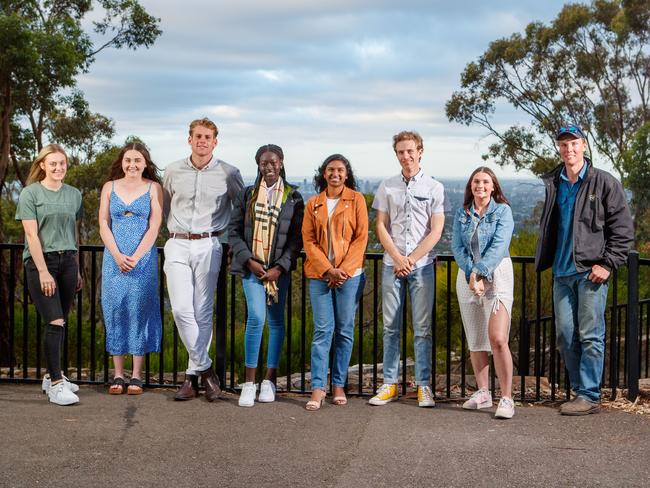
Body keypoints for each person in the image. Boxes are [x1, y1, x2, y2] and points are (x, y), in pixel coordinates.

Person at [536, 124, 633, 415]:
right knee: (565, 335)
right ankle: (580, 391)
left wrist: (608, 263)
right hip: (562, 273)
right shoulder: (555, 182)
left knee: (591, 334)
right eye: (564, 144)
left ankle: (589, 395)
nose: (569, 149)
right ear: (558, 148)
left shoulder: (604, 182)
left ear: (585, 145)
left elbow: (623, 230)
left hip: (590, 272)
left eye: (574, 143)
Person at [162, 118, 244, 401]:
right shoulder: (172, 170)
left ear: (215, 141)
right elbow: (163, 206)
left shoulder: (229, 173)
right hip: (176, 243)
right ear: (189, 139)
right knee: (181, 310)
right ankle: (207, 372)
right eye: (198, 136)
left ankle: (190, 378)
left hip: (210, 244)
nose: (202, 141)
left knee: (202, 312)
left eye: (208, 137)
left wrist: (233, 242)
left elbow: (240, 210)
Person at [369, 130, 445, 408]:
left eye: (410, 151)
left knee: (422, 329)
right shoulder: (387, 186)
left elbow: (436, 231)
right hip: (392, 265)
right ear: (396, 154)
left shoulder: (435, 188)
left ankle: (424, 385)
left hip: (422, 266)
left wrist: (410, 259)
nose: (406, 156)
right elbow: (380, 226)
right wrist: (398, 258)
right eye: (401, 152)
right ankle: (389, 384)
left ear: (420, 151)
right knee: (390, 327)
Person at [228, 144, 304, 407]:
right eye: (263, 163)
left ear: (281, 163)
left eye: (273, 162)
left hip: (277, 272)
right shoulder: (247, 194)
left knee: (276, 322)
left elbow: (296, 241)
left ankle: (269, 380)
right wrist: (249, 261)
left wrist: (279, 268)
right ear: (258, 165)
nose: (268, 167)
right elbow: (234, 231)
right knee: (257, 318)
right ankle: (249, 383)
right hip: (253, 269)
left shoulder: (293, 197)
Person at [15, 144, 83, 406]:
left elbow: (73, 231)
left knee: (61, 321)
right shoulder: (30, 194)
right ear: (42, 165)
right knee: (54, 321)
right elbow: (31, 235)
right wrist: (43, 271)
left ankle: (52, 376)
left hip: (68, 262)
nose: (58, 168)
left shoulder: (74, 195)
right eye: (53, 163)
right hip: (41, 263)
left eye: (62, 163)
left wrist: (76, 267)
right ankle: (56, 386)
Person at [302, 154, 368, 410]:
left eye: (340, 170)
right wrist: (328, 270)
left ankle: (338, 384)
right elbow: (308, 241)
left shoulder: (357, 200)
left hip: (349, 277)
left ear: (347, 174)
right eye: (331, 170)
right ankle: (318, 387)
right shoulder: (313, 203)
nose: (335, 174)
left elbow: (361, 239)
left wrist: (342, 271)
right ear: (324, 173)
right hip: (319, 276)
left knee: (344, 330)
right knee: (322, 331)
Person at [99, 142, 164, 395]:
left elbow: (155, 225)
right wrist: (117, 255)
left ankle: (136, 375)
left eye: (138, 160)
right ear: (122, 162)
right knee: (115, 309)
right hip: (113, 259)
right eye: (128, 160)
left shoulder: (153, 188)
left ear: (145, 163)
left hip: (143, 259)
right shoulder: (109, 187)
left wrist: (136, 257)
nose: (132, 164)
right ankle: (118, 374)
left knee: (139, 310)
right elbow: (104, 223)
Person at [452, 167, 515, 419]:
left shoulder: (503, 212)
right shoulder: (462, 213)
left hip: (497, 275)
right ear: (471, 186)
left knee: (498, 338)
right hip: (467, 278)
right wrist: (471, 274)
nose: (480, 185)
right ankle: (483, 392)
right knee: (476, 338)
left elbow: (499, 246)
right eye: (476, 181)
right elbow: (457, 246)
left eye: (485, 181)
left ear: (493, 187)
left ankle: (507, 397)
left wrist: (479, 272)